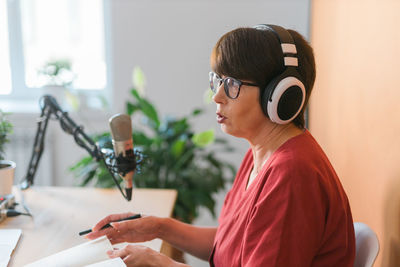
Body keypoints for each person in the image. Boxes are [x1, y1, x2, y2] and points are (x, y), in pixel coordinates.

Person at [86, 24, 355, 267]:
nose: (217, 96)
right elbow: (231, 247)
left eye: (232, 83)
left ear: (281, 96)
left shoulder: (293, 173)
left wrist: (163, 264)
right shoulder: (260, 154)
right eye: (217, 80)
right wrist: (159, 227)